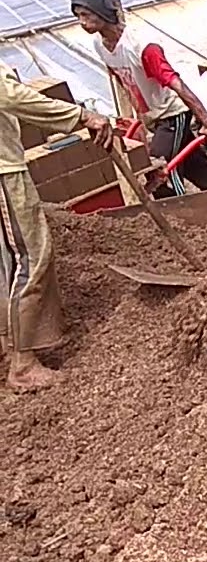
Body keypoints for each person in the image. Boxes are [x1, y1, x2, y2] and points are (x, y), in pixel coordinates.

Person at [0, 65, 114, 391]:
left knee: (5, 264)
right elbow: (11, 95)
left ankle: (7, 344)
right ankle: (22, 366)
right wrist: (81, 116)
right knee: (31, 259)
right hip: (3, 173)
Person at [70, 0, 207, 198]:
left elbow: (176, 83)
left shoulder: (142, 46)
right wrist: (141, 122)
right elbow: (126, 83)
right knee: (195, 165)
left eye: (86, 15)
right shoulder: (100, 45)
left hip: (173, 113)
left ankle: (181, 214)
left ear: (102, 11)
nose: (82, 22)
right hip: (155, 117)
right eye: (78, 15)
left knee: (159, 172)